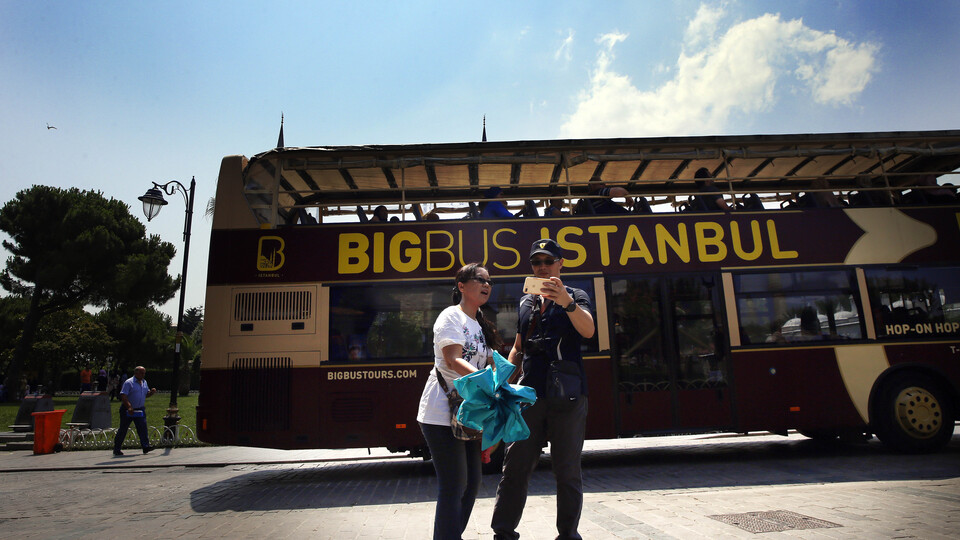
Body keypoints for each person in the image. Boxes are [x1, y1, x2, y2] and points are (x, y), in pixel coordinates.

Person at [492, 239, 595, 540]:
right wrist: (503, 382)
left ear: (560, 264)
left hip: (568, 396)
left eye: (548, 261)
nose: (542, 267)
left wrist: (567, 302)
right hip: (529, 395)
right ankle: (503, 532)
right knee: (515, 466)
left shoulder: (576, 295)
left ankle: (568, 535)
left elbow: (589, 330)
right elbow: (518, 347)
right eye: (537, 262)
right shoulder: (526, 302)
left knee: (567, 470)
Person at [417, 263, 502, 540]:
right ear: (462, 286)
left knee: (472, 483)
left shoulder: (479, 323)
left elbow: (491, 362)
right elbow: (454, 360)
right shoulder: (451, 316)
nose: (487, 285)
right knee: (454, 485)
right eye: (480, 279)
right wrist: (487, 384)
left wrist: (506, 383)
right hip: (442, 412)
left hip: (468, 413)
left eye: (489, 281)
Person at [112, 366, 157, 456]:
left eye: (144, 373)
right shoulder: (129, 382)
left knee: (142, 428)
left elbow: (145, 394)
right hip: (128, 409)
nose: (143, 375)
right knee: (123, 428)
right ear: (136, 373)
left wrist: (151, 393)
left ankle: (146, 446)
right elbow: (123, 395)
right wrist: (129, 407)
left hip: (140, 409)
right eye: (141, 373)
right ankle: (117, 448)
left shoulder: (144, 382)